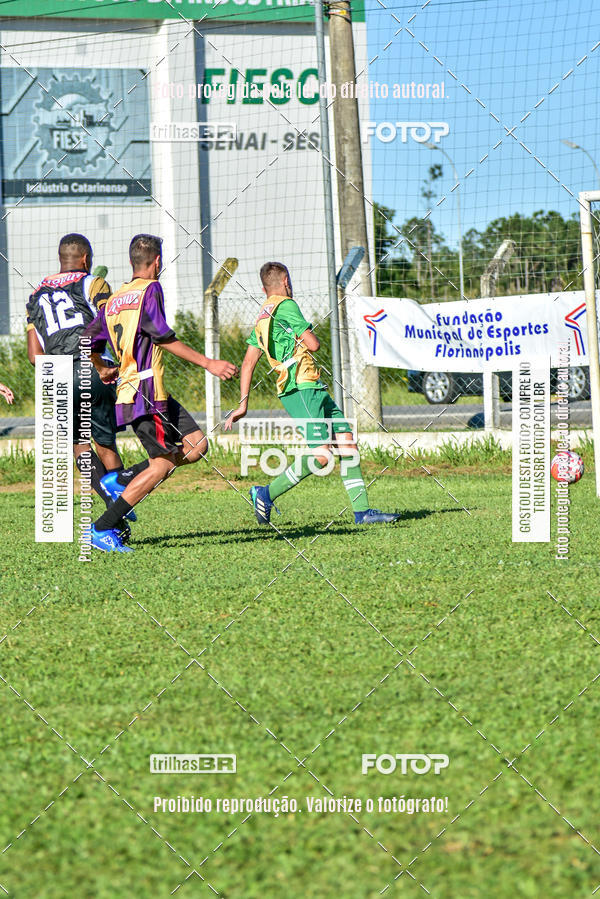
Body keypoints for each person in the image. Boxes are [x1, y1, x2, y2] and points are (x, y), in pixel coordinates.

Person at [85, 233, 238, 553]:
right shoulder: (150, 289)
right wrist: (209, 362)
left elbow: (88, 341)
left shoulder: (114, 299)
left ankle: (122, 477)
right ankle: (102, 527)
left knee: (196, 445)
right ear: (157, 262)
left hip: (149, 391)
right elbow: (162, 337)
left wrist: (102, 366)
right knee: (162, 465)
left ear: (131, 262)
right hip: (144, 390)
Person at [224, 261, 400, 525]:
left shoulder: (261, 316)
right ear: (286, 282)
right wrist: (305, 335)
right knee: (322, 453)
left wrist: (243, 404)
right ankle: (265, 493)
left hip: (311, 386)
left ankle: (362, 512)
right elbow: (314, 345)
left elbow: (248, 363)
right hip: (300, 386)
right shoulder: (287, 306)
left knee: (347, 442)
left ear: (264, 288)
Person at [26, 233, 140, 540]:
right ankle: (116, 511)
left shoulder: (35, 295)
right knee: (105, 446)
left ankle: (111, 510)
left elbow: (34, 356)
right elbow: (110, 320)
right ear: (86, 259)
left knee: (79, 446)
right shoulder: (93, 283)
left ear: (60, 258)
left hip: (56, 374)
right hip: (92, 368)